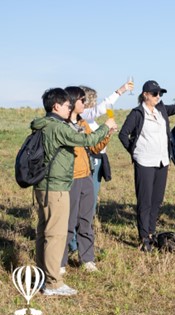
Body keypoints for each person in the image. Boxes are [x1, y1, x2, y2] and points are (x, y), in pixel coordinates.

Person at [32, 88, 116, 296]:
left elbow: (90, 144)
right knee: (57, 234)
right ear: (57, 106)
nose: (71, 107)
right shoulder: (58, 127)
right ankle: (53, 282)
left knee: (45, 232)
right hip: (57, 186)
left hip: (47, 185)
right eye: (69, 104)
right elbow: (86, 141)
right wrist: (106, 126)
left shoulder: (46, 125)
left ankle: (44, 275)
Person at [118, 79, 175, 251]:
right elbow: (123, 134)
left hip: (162, 161)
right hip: (144, 161)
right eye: (155, 94)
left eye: (160, 93)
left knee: (156, 200)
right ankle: (144, 237)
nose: (158, 96)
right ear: (145, 95)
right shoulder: (137, 113)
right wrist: (134, 152)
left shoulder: (161, 110)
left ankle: (151, 232)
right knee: (144, 201)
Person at [66, 82, 132, 253]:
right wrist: (120, 91)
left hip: (99, 158)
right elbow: (103, 108)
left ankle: (81, 241)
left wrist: (109, 129)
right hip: (88, 161)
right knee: (80, 204)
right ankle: (73, 243)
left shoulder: (89, 119)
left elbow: (105, 112)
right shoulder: (84, 115)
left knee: (90, 202)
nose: (93, 103)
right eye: (90, 100)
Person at [59, 86, 113, 275]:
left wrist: (108, 133)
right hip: (69, 178)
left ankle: (87, 259)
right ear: (73, 103)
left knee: (85, 220)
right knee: (68, 221)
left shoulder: (83, 123)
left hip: (86, 176)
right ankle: (60, 262)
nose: (86, 103)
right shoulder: (61, 125)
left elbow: (95, 147)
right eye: (82, 100)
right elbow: (83, 142)